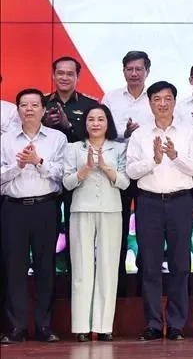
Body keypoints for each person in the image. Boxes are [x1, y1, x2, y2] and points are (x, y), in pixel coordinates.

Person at [126, 81, 193, 341]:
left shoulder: (188, 132)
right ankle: (153, 324)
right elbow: (131, 171)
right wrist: (154, 160)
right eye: (157, 99)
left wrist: (174, 156)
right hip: (148, 203)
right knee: (149, 265)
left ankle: (177, 324)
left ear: (174, 101)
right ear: (150, 103)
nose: (162, 103)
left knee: (181, 265)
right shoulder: (139, 135)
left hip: (181, 201)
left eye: (167, 98)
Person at [1, 88, 67, 344]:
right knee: (14, 268)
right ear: (17, 110)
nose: (29, 109)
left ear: (43, 109)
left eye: (34, 105)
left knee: (45, 267)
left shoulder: (57, 138)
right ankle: (17, 327)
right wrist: (18, 166)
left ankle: (43, 326)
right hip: (13, 208)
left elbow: (62, 173)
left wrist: (38, 161)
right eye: (24, 105)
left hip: (46, 208)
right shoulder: (5, 140)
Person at [63, 104, 129, 342]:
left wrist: (104, 167)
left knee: (108, 268)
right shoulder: (73, 149)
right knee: (81, 268)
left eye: (101, 119)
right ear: (85, 123)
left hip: (111, 210)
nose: (95, 123)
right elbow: (67, 182)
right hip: (81, 209)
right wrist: (86, 170)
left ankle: (103, 326)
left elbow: (124, 182)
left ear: (108, 123)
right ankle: (81, 325)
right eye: (91, 119)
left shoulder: (119, 148)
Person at [101, 50, 153, 294]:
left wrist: (141, 135)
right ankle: (117, 287)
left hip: (147, 173)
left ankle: (145, 286)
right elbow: (101, 131)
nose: (134, 74)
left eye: (139, 69)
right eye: (129, 69)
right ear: (123, 71)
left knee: (147, 231)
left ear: (147, 72)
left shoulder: (155, 99)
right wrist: (126, 133)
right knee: (116, 230)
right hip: (117, 172)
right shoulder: (110, 98)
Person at [44, 56, 98, 272]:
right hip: (49, 178)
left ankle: (77, 275)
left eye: (69, 73)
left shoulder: (91, 105)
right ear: (53, 74)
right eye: (60, 73)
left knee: (80, 231)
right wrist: (45, 126)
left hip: (80, 177)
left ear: (78, 76)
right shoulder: (41, 103)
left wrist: (68, 126)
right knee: (49, 231)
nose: (64, 77)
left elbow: (93, 140)